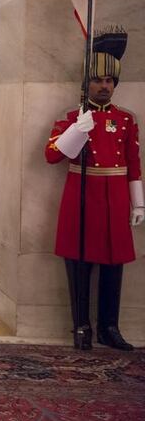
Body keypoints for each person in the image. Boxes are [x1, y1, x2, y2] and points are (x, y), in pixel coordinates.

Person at [45, 28, 140, 351]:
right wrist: (76, 131)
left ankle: (109, 327)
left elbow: (134, 163)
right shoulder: (72, 117)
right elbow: (52, 155)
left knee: (114, 268)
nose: (103, 86)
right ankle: (81, 326)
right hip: (82, 198)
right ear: (87, 84)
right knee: (79, 263)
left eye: (109, 81)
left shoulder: (126, 120)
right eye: (98, 80)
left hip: (114, 201)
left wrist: (138, 204)